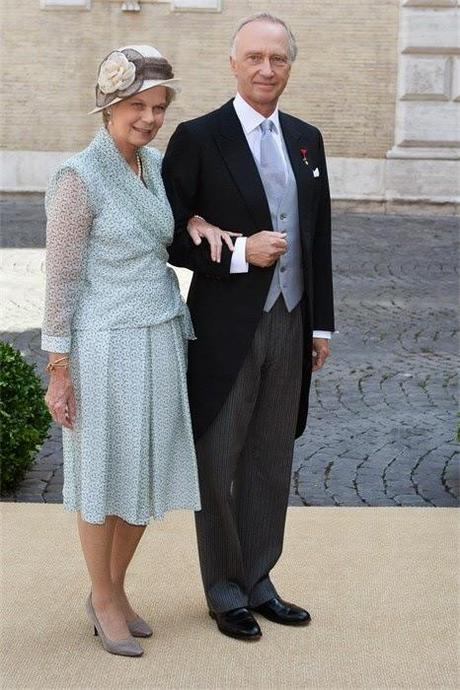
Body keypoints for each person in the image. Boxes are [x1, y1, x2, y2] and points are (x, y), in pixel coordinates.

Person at [42, 44, 236, 657]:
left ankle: (116, 591)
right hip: (103, 346)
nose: (150, 118)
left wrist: (198, 223)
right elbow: (60, 280)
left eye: (158, 107)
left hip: (159, 336)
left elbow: (172, 225)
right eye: (137, 106)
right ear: (108, 106)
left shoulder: (153, 166)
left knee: (145, 474)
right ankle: (101, 598)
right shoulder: (79, 176)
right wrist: (58, 369)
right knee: (105, 476)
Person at [162, 13, 335, 640]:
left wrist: (322, 325)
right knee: (219, 457)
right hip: (226, 324)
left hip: (291, 321)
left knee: (271, 456)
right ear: (233, 62)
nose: (267, 70)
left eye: (278, 59)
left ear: (290, 65)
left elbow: (317, 236)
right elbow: (171, 231)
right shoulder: (198, 137)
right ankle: (225, 589)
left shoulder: (307, 138)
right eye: (255, 58)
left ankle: (260, 580)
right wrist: (237, 253)